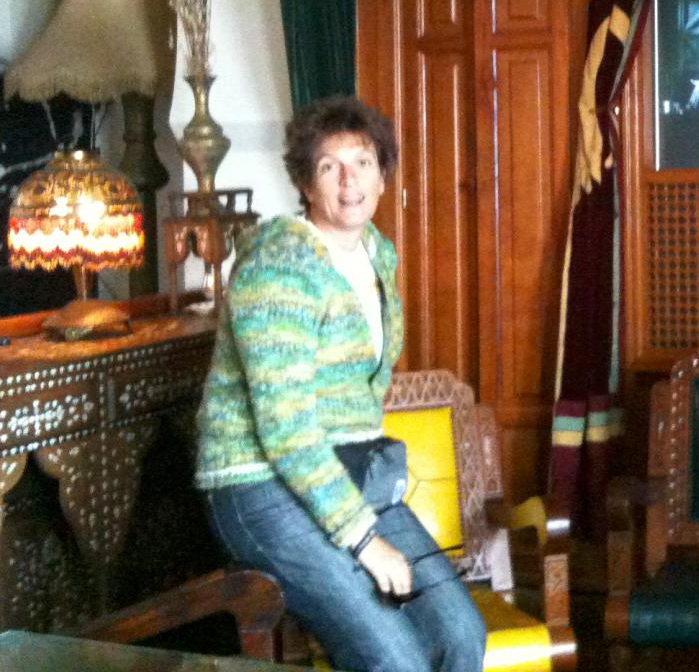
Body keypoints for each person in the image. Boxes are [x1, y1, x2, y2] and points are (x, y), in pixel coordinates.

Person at [195, 96, 486, 672]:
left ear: (383, 176)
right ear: (305, 184)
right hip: (257, 485)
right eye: (330, 166)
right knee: (396, 659)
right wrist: (365, 541)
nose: (350, 181)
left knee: (460, 632)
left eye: (363, 162)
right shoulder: (280, 266)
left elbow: (358, 397)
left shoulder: (376, 255)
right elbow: (287, 431)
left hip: (344, 472)